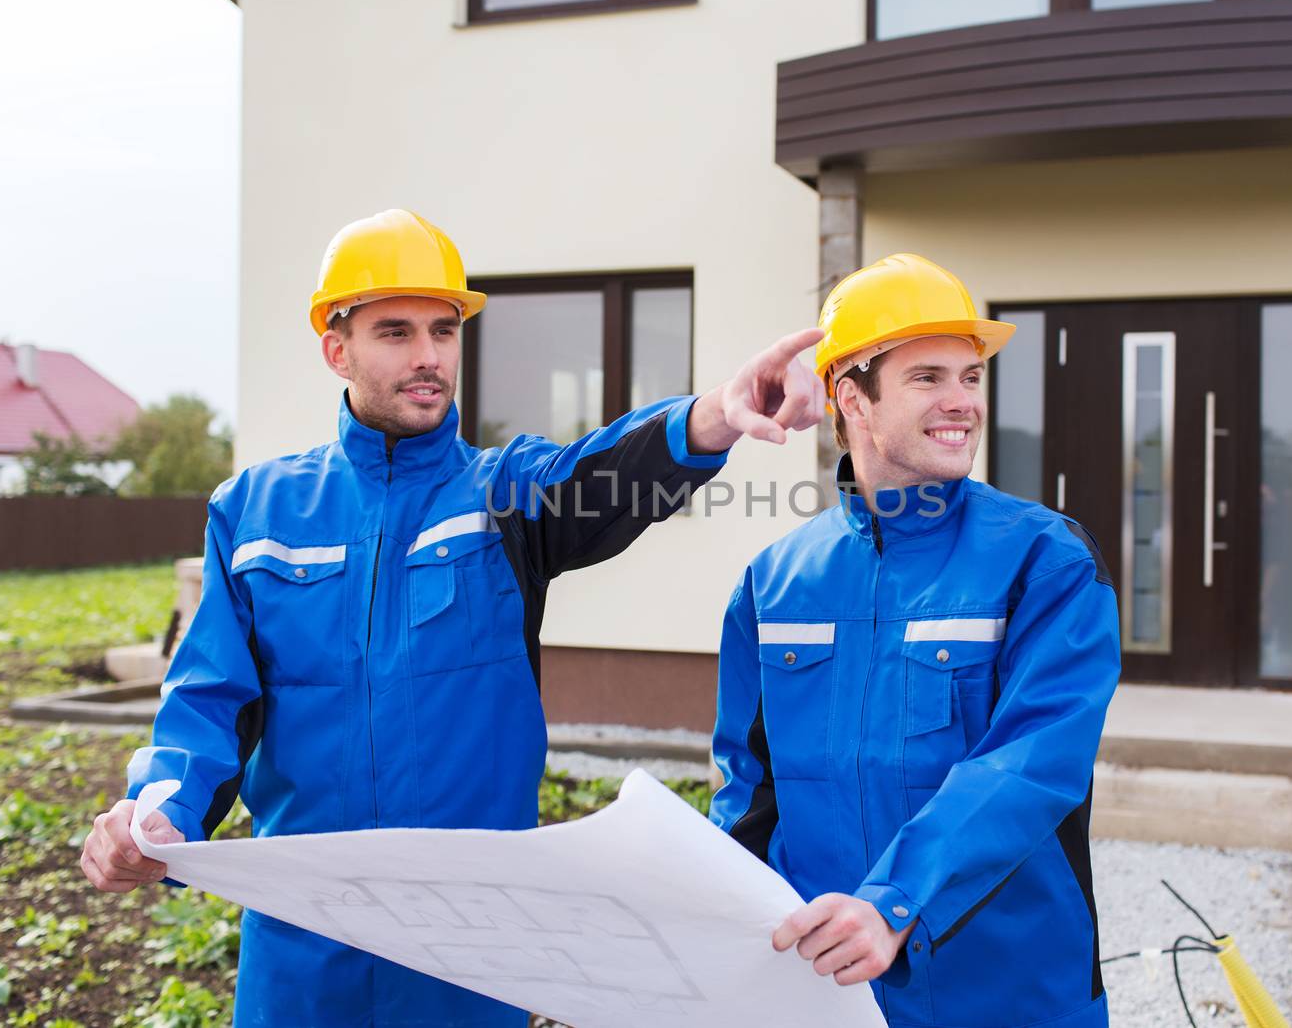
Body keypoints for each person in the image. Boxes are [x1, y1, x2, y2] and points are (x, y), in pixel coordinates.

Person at [80, 208, 826, 1027]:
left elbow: (601, 472)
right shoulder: (256, 511)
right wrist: (160, 811)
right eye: (395, 331)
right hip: (303, 952)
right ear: (338, 348)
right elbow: (208, 701)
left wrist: (718, 410)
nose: (429, 355)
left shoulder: (503, 495)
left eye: (444, 329)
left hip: (471, 956)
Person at [709, 253, 1121, 1028]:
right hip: (832, 993)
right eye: (928, 377)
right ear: (851, 398)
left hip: (1012, 996)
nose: (961, 401)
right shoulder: (774, 583)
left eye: (971, 376)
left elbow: (1032, 762)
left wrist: (893, 900)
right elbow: (747, 790)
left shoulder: (1045, 559)